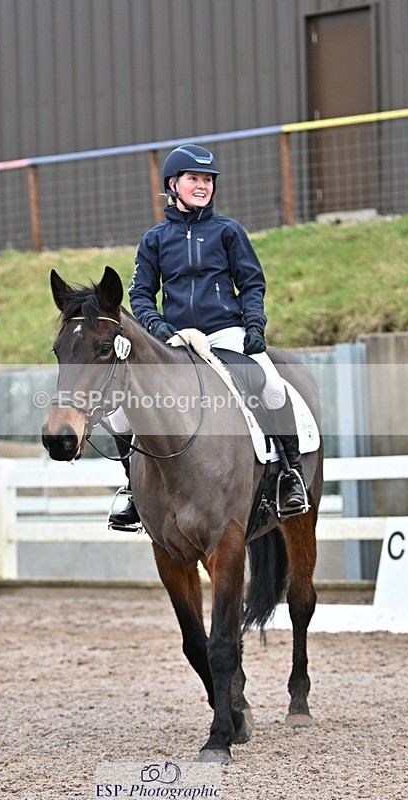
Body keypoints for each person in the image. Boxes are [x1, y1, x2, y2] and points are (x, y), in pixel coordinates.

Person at [108, 143, 307, 529]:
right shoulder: (154, 239)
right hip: (174, 340)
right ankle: (133, 487)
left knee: (270, 384)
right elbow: (140, 294)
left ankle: (290, 472)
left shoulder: (228, 231)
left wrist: (254, 325)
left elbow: (252, 283)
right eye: (194, 179)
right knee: (120, 407)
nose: (202, 186)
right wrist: (156, 326)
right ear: (173, 184)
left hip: (225, 333)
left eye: (208, 180)